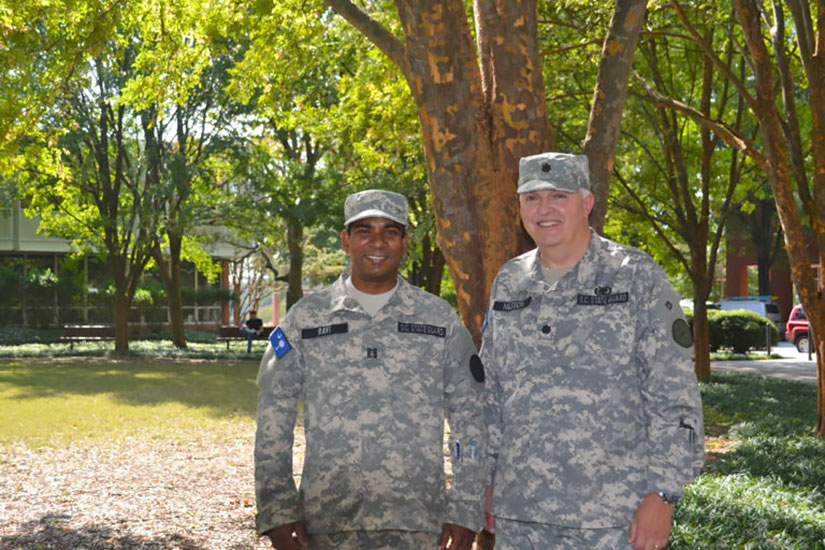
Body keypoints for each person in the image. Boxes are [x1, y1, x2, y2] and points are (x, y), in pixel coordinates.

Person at [482, 153, 704, 550]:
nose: (544, 209)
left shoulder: (636, 276)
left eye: (558, 196)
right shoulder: (509, 282)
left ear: (586, 203)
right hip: (519, 515)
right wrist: (482, 481)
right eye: (531, 198)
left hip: (612, 519)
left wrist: (664, 494)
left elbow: (674, 395)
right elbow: (491, 394)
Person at [255, 189, 486, 550]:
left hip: (421, 526)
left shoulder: (438, 319)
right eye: (364, 230)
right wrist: (277, 511)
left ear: (405, 242)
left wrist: (466, 508)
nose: (378, 242)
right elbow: (273, 422)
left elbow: (470, 420)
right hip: (327, 524)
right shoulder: (306, 319)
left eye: (390, 231)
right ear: (347, 240)